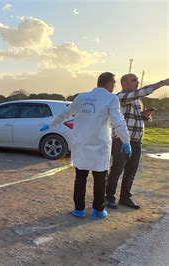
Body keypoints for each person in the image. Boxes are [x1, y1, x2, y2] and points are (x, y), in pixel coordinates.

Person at [40, 72, 131, 220]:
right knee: (100, 179)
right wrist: (126, 141)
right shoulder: (111, 98)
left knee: (80, 178)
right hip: (100, 145)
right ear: (109, 83)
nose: (114, 86)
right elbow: (118, 121)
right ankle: (98, 210)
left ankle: (79, 209)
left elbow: (66, 113)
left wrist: (51, 124)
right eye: (114, 83)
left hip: (81, 144)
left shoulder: (82, 97)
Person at [106, 76, 169, 209]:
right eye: (134, 80)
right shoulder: (121, 96)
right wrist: (162, 83)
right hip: (122, 140)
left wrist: (146, 116)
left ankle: (125, 198)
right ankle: (109, 197)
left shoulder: (138, 101)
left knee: (131, 171)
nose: (138, 82)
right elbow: (143, 91)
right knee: (117, 170)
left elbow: (138, 117)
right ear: (124, 83)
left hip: (137, 141)